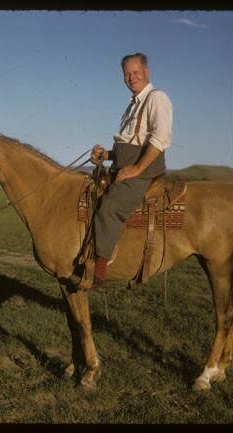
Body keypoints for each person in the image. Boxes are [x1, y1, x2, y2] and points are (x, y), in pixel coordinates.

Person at [82, 52, 173, 290]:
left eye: (135, 72)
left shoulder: (156, 98)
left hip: (145, 170)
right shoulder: (131, 106)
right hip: (126, 165)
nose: (131, 77)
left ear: (147, 72)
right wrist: (107, 156)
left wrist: (136, 169)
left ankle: (99, 269)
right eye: (127, 74)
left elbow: (160, 138)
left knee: (110, 207)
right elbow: (130, 145)